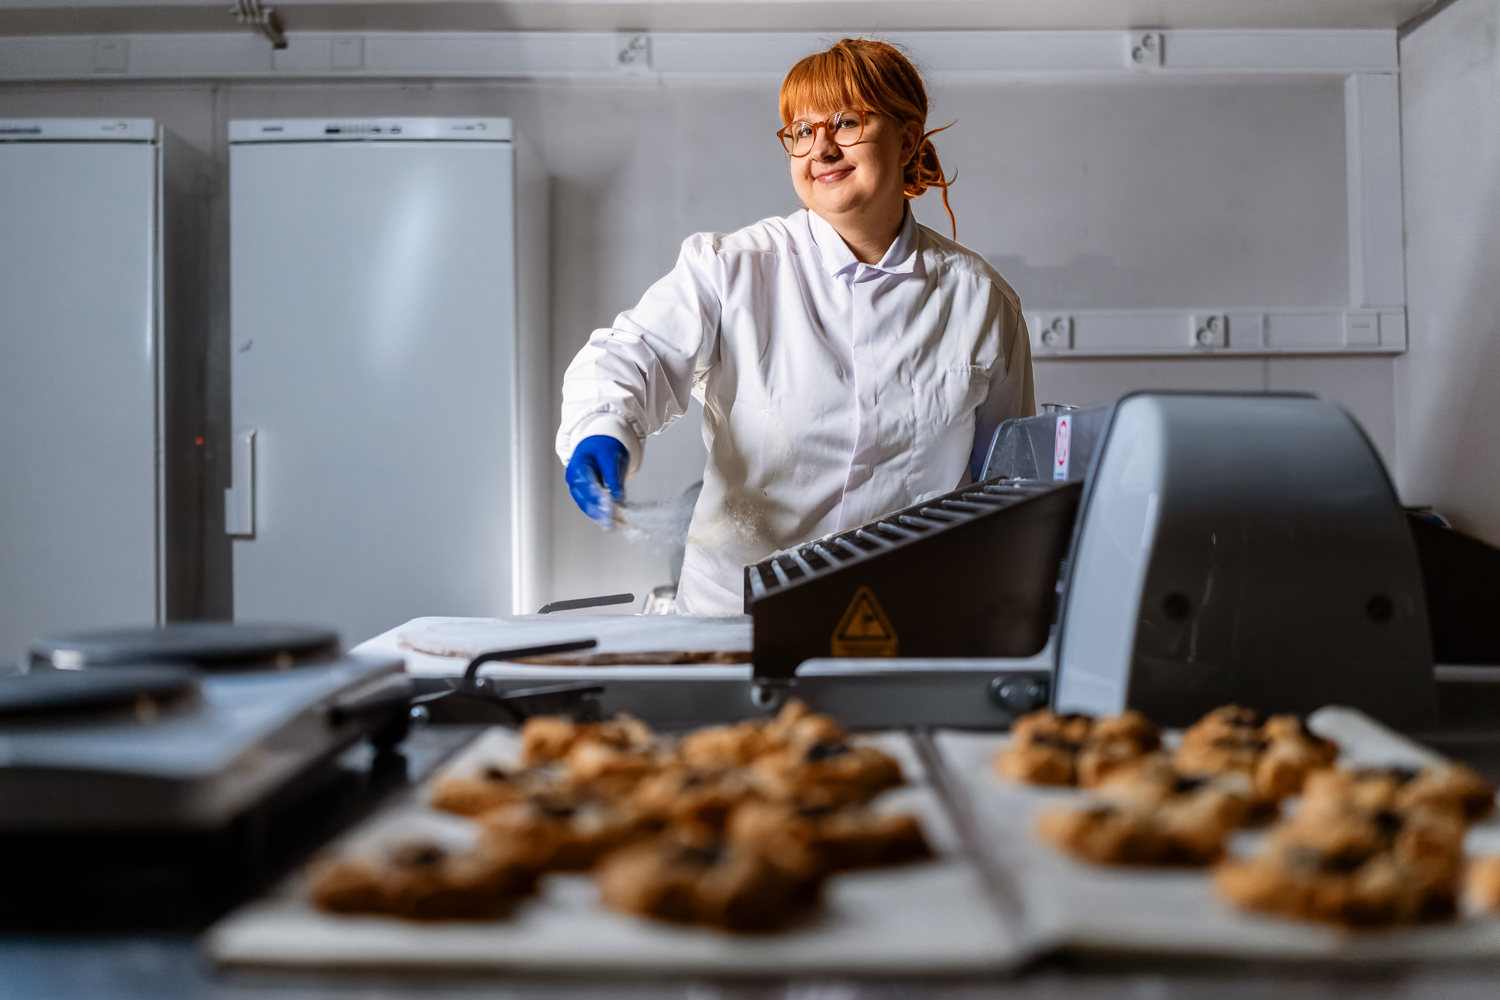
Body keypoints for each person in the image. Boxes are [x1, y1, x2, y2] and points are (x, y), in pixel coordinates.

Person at [557, 37, 1035, 615]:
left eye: (847, 122)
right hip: (737, 623)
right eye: (802, 132)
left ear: (907, 139)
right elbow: (637, 353)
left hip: (905, 622)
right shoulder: (733, 268)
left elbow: (1005, 488)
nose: (822, 149)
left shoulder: (980, 302)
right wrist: (602, 427)